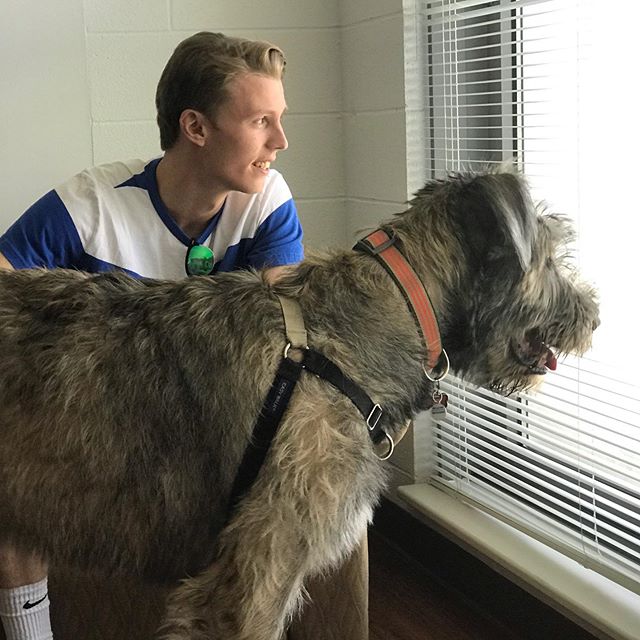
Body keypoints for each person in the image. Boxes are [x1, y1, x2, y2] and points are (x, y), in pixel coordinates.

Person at [0, 31, 368, 640]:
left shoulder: (266, 201)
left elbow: (294, 328)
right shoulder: (90, 205)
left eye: (280, 120)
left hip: (219, 426)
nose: (281, 142)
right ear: (196, 128)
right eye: (260, 121)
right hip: (108, 423)